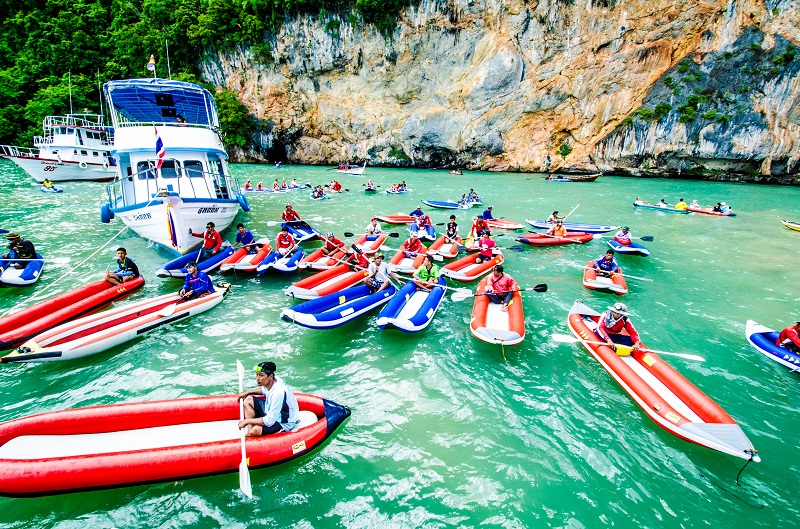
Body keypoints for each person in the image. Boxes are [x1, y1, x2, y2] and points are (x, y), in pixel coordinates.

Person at [238, 361, 300, 437]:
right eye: (257, 375)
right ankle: (249, 432)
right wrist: (247, 392)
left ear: (270, 376)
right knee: (248, 400)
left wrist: (246, 421)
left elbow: (269, 421)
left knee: (255, 430)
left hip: (283, 421)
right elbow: (264, 390)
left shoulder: (278, 392)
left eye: (261, 375)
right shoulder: (272, 380)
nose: (257, 378)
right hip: (270, 411)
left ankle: (252, 432)